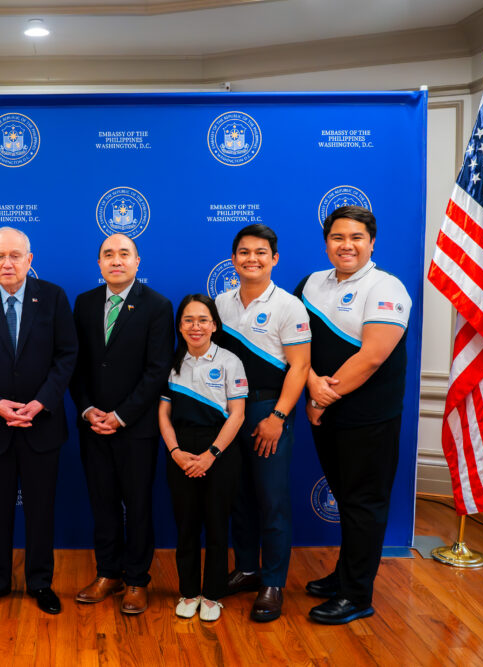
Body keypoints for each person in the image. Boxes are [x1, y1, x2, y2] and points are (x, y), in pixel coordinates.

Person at [295, 206, 411, 625]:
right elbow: (293, 344)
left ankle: (357, 595)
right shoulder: (310, 284)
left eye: (356, 237)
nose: (347, 245)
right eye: (338, 237)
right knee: (347, 499)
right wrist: (310, 386)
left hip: (369, 417)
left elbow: (372, 357)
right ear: (327, 242)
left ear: (372, 242)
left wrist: (320, 397)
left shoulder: (387, 287)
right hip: (327, 414)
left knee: (364, 503)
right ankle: (346, 575)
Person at [0, 226, 77, 615]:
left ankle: (41, 583)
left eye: (15, 256)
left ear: (29, 259)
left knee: (42, 510)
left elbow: (67, 355)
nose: (7, 263)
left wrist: (40, 403)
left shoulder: (54, 297)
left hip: (42, 424)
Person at [70, 233, 173, 615]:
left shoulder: (158, 306)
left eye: (123, 254)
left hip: (136, 427)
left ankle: (136, 581)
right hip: (92, 425)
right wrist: (87, 410)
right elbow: (74, 365)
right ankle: (108, 574)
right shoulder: (83, 303)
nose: (116, 260)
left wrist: (121, 415)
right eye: (108, 254)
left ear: (137, 261)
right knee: (103, 503)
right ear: (99, 263)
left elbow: (158, 368)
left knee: (139, 505)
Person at [215, 224, 311, 622]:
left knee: (271, 499)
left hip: (268, 410)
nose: (251, 259)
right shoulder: (220, 303)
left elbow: (300, 366)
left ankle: (272, 582)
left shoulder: (289, 305)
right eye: (243, 252)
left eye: (260, 252)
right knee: (238, 496)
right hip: (228, 411)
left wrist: (277, 417)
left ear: (274, 258)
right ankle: (248, 569)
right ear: (233, 259)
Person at [158, 294, 246, 622]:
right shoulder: (172, 363)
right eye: (189, 320)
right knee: (186, 526)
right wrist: (176, 452)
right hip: (180, 451)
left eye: (203, 320)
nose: (196, 327)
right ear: (180, 326)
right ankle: (189, 592)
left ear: (214, 325)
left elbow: (237, 415)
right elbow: (164, 415)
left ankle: (212, 595)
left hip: (220, 452)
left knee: (217, 526)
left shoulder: (230, 361)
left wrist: (211, 455)